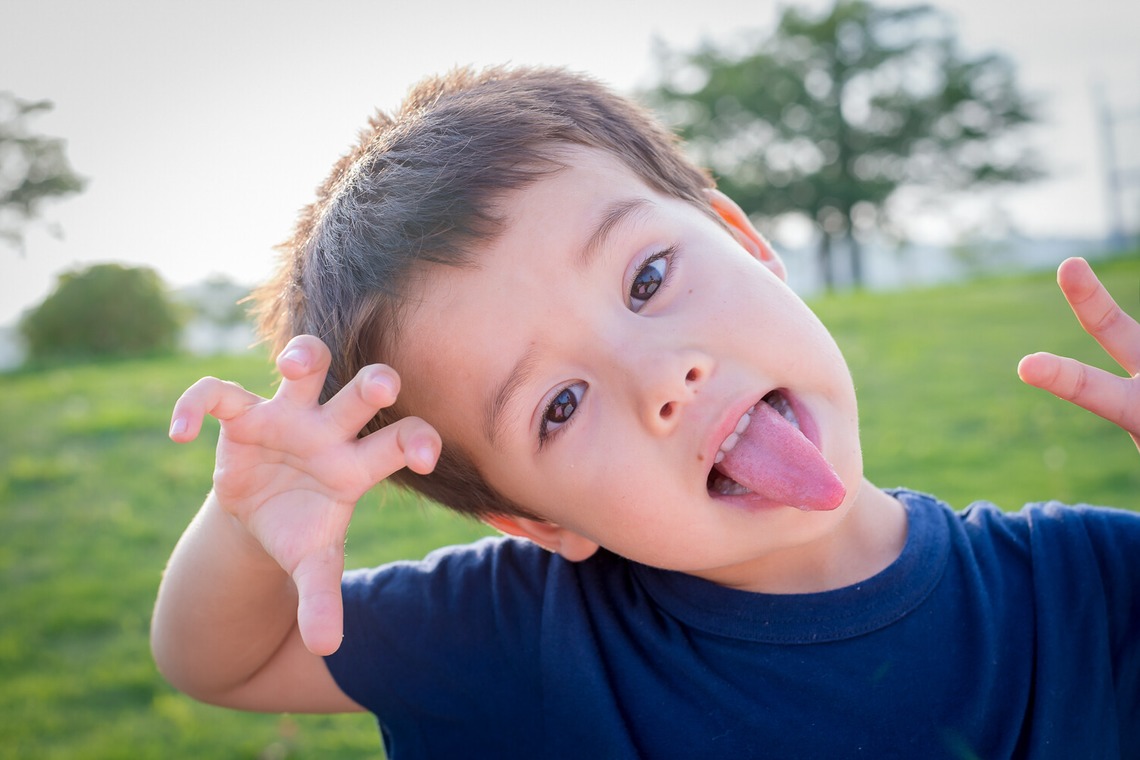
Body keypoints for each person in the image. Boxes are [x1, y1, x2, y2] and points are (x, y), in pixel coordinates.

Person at [151, 65, 1140, 758]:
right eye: (561, 404)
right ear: (537, 521)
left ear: (744, 240)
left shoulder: (1092, 586)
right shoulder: (507, 638)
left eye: (648, 277)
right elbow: (226, 663)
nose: (662, 377)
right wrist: (244, 530)